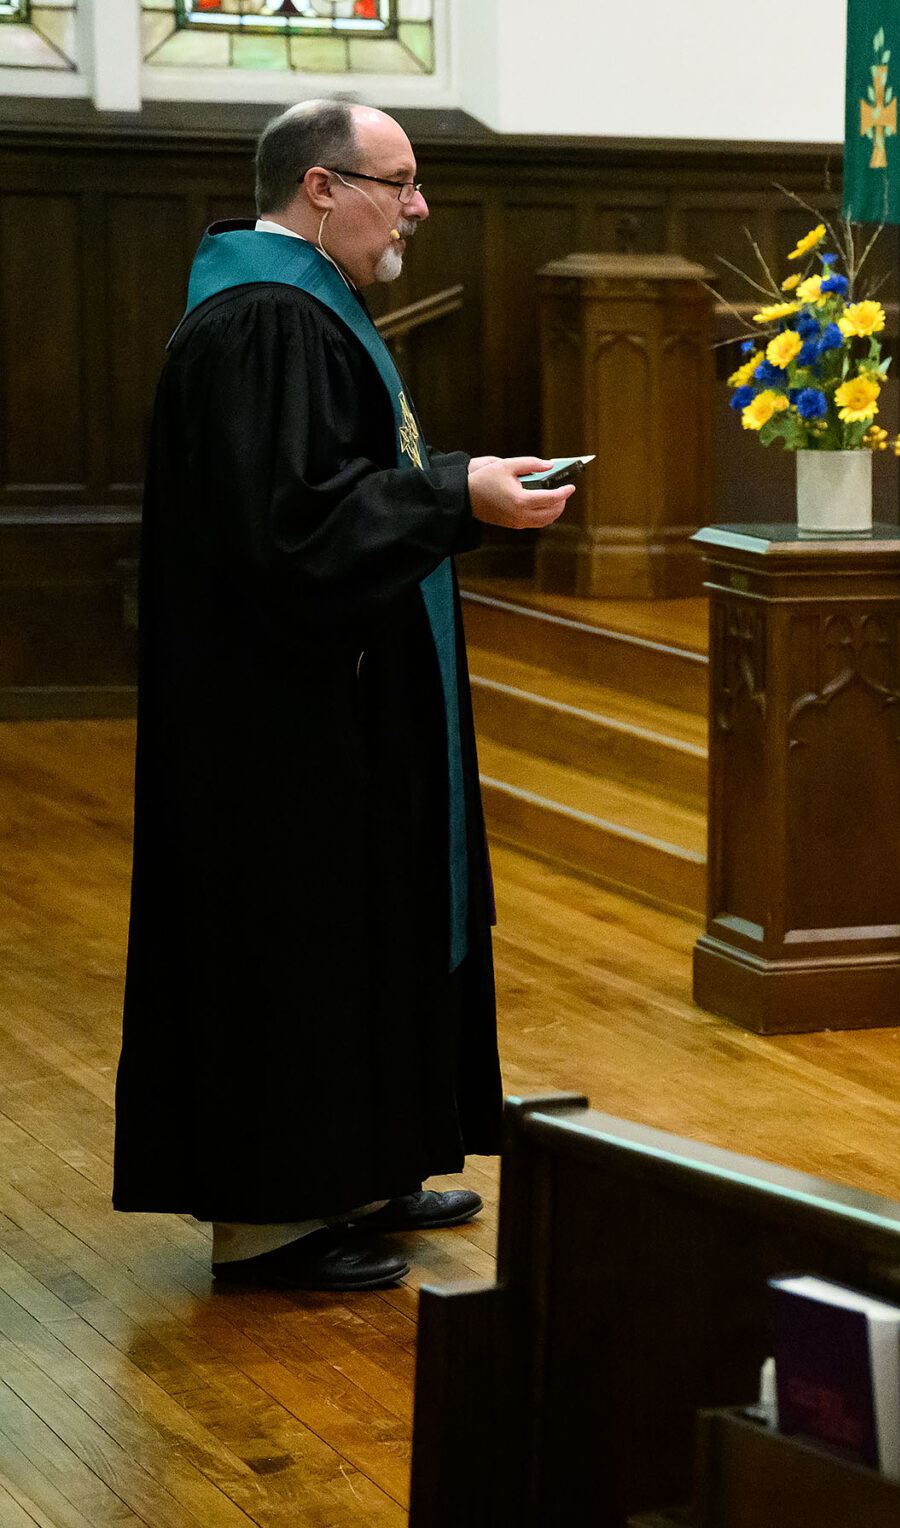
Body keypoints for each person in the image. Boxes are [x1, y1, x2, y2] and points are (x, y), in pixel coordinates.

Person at [115, 100, 572, 1292]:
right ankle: (272, 1218)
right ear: (320, 188)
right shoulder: (266, 320)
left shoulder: (303, 306)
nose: (418, 207)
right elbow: (292, 527)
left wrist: (453, 486)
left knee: (366, 925)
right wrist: (453, 494)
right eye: (398, 181)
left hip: (339, 701)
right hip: (279, 722)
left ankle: (365, 1165)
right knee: (295, 941)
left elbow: (333, 486)